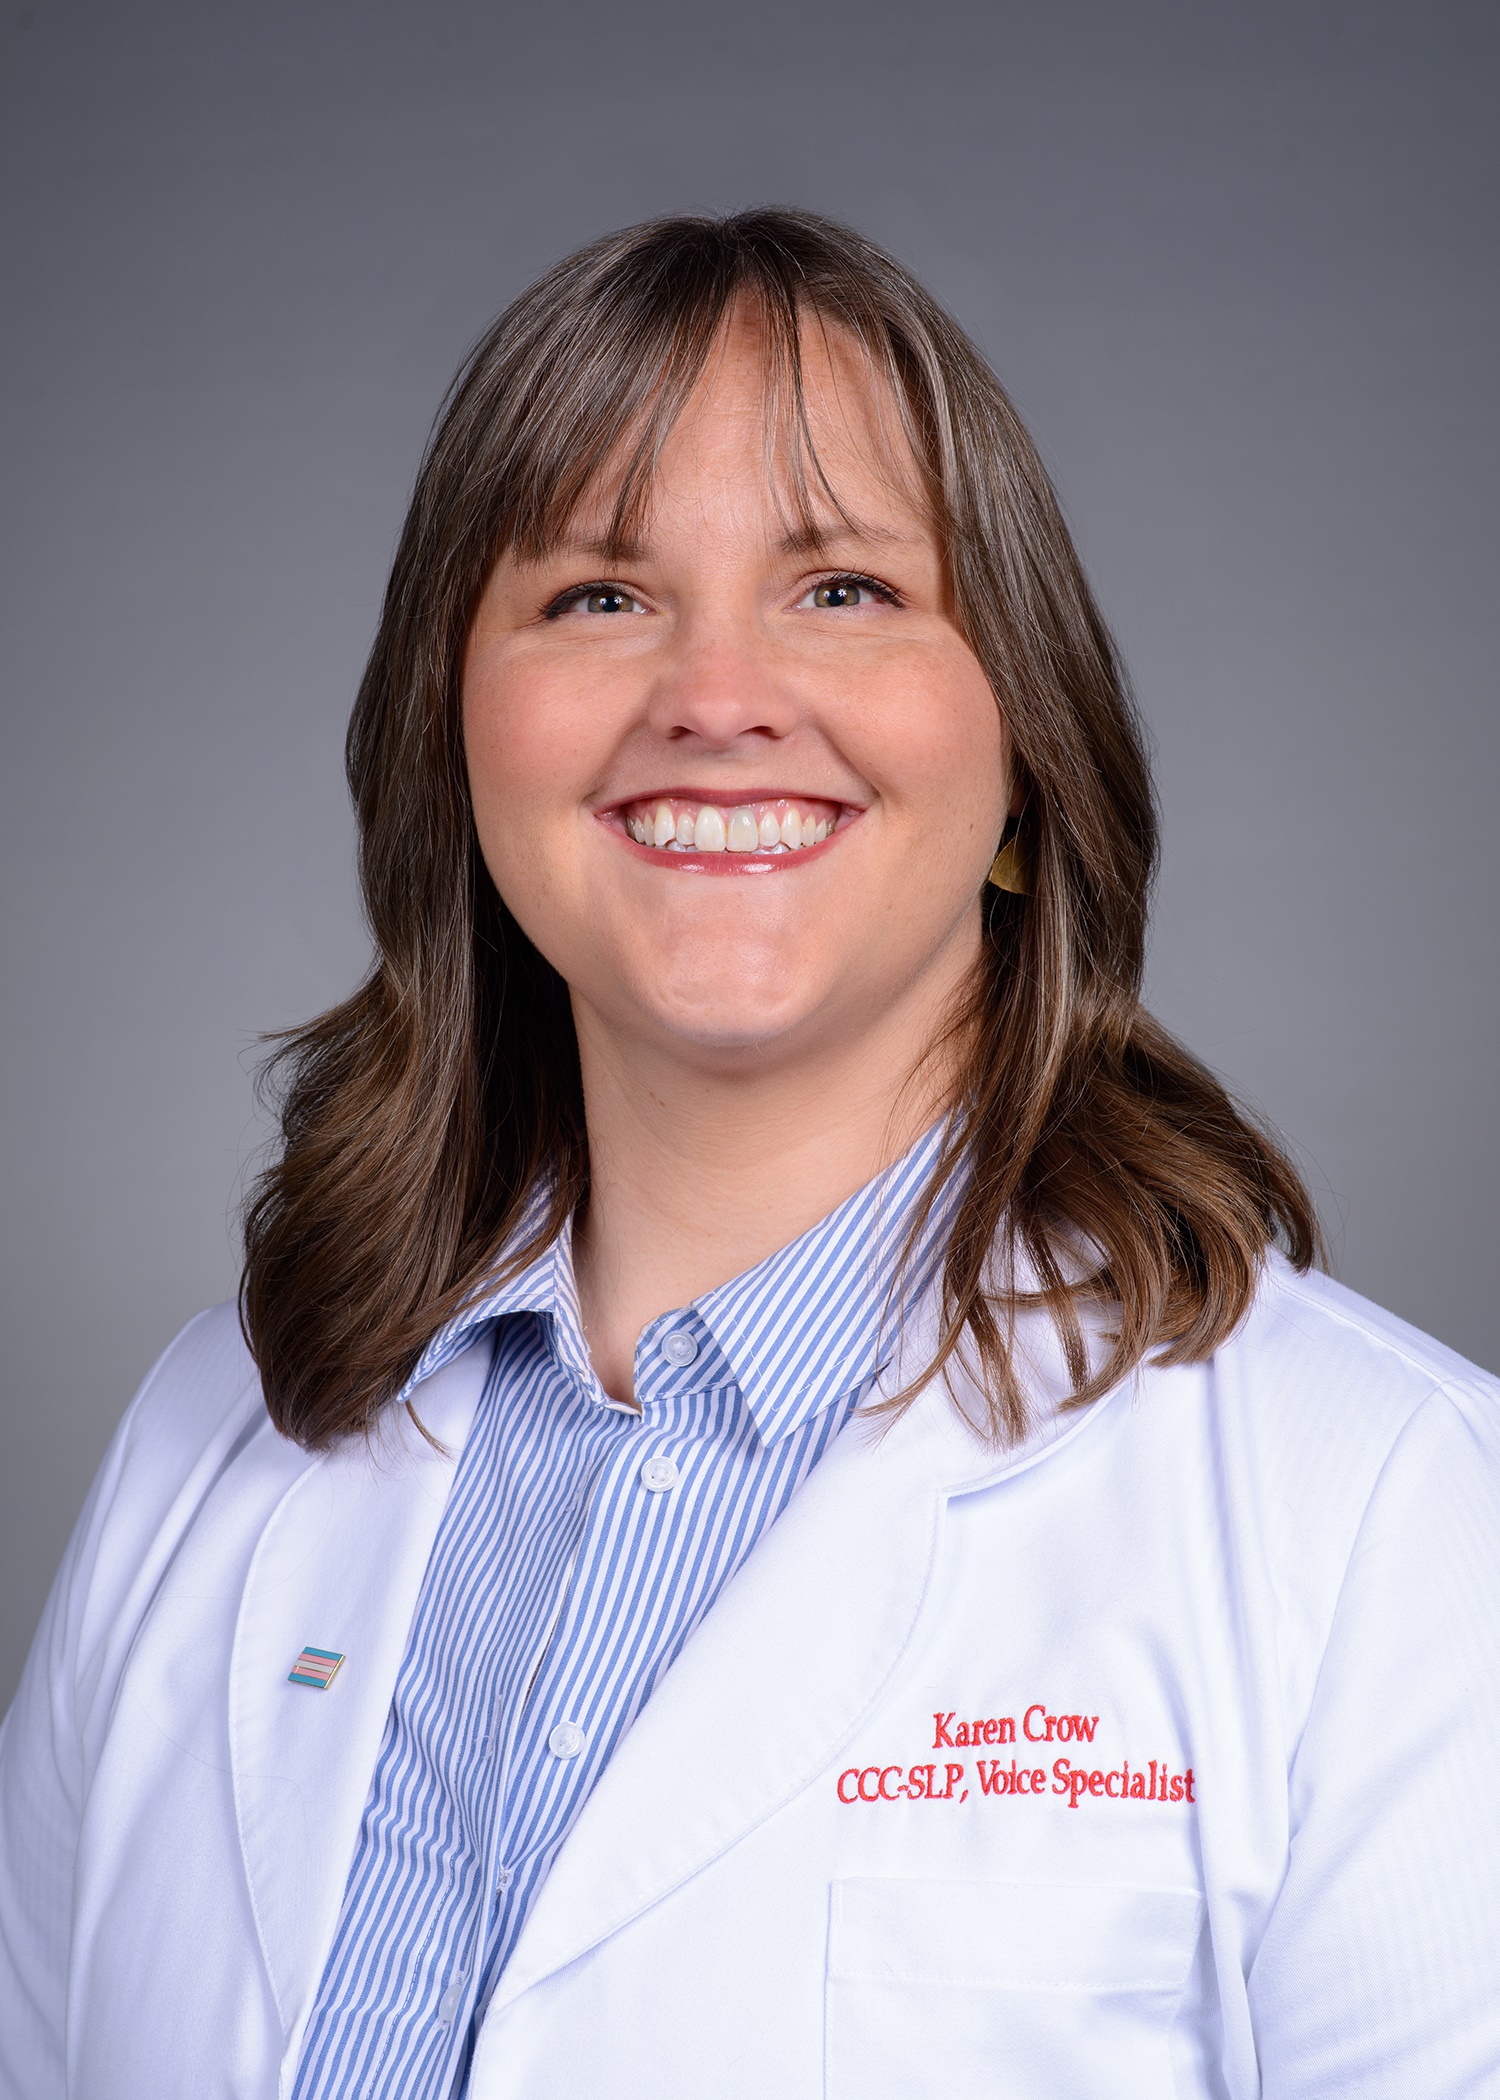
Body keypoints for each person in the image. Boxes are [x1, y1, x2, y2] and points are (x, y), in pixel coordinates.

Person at [1, 208, 1496, 2100]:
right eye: (597, 596)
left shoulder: (1392, 1515)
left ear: (1025, 742)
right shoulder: (202, 1443)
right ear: (454, 738)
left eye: (844, 588)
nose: (714, 699)